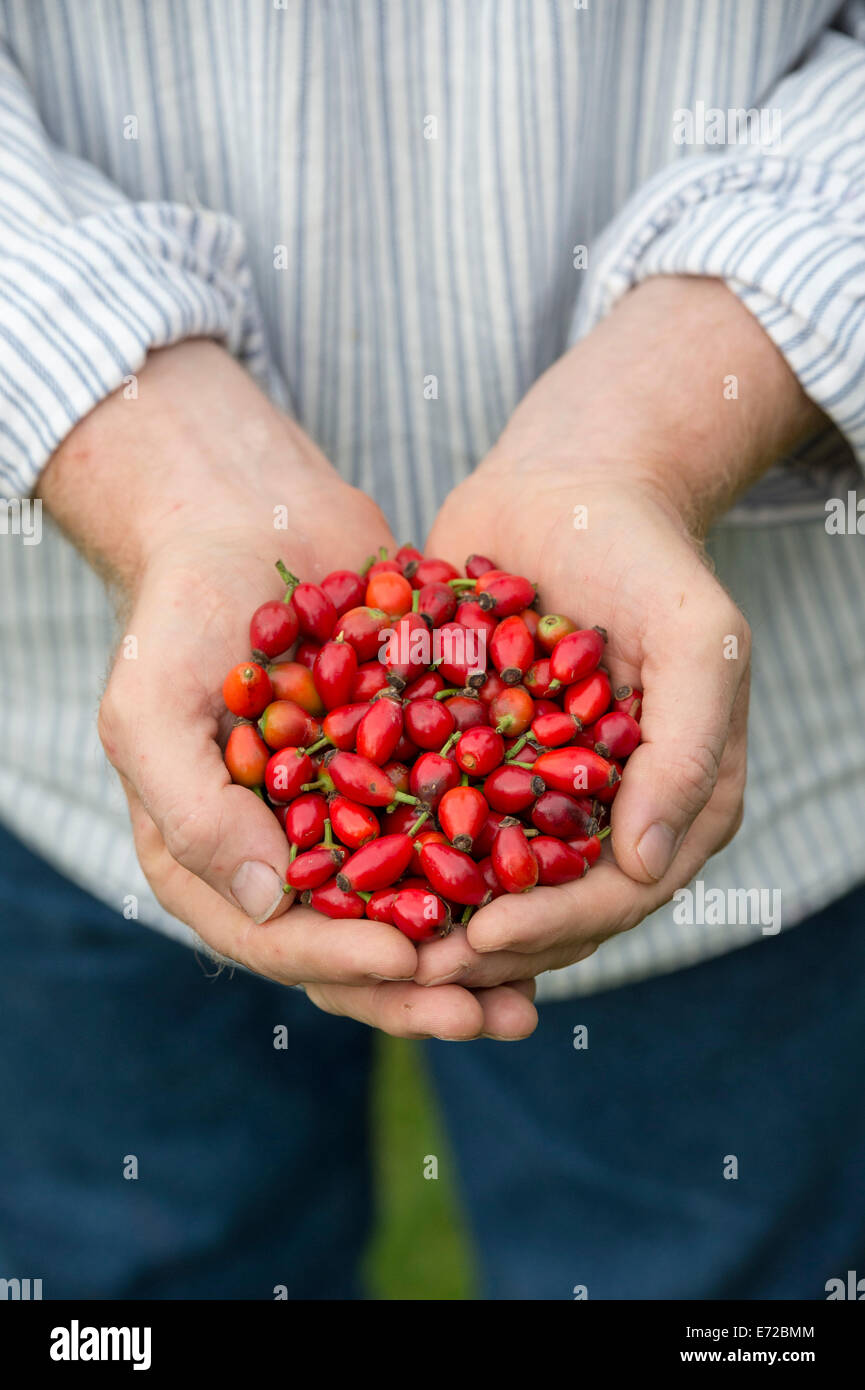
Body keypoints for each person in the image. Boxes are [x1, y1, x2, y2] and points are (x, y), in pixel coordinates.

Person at [1, 0, 864, 1300]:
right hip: (70, 728)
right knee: (128, 1274)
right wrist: (120, 421)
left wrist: (677, 396)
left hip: (761, 776)